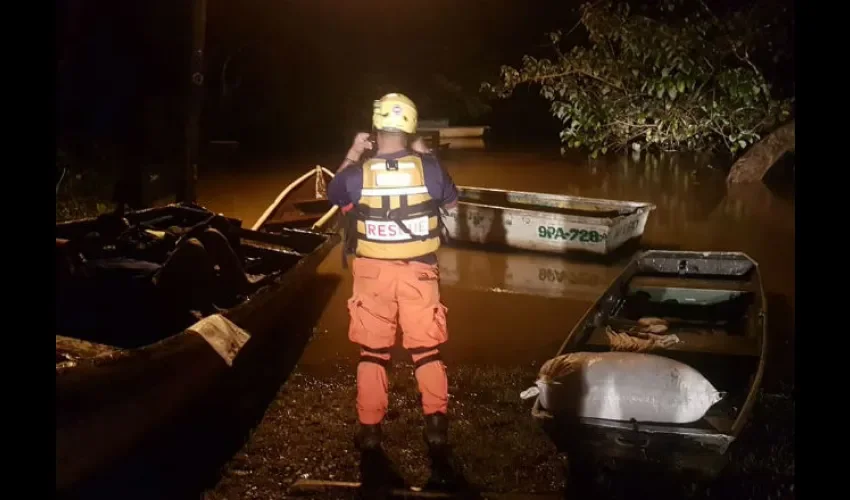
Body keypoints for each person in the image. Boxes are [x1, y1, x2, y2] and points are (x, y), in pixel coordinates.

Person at [327, 93, 459, 453]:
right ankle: (435, 428)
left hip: (372, 274)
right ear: (412, 127)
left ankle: (370, 431)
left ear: (375, 127)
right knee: (427, 351)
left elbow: (333, 193)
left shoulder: (357, 174)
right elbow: (451, 200)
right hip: (420, 271)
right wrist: (424, 152)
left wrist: (354, 151)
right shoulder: (428, 167)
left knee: (373, 353)